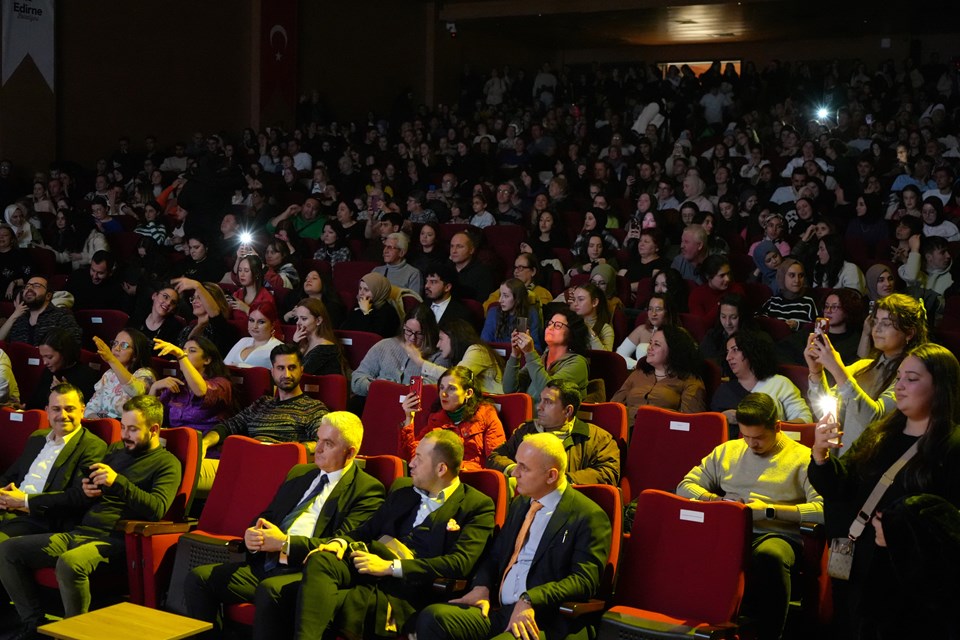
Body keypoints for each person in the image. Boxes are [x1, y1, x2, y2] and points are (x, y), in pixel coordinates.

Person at [183, 412, 386, 640]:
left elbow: (341, 543)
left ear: (350, 452)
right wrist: (252, 535)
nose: (317, 449)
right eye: (318, 439)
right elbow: (269, 515)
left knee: (270, 591)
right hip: (266, 564)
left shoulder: (367, 489)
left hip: (305, 573)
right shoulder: (300, 473)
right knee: (199, 578)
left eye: (328, 444)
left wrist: (285, 544)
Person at [809, 344, 960, 639]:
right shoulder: (880, 432)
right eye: (899, 377)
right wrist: (821, 456)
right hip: (858, 566)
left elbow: (950, 527)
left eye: (911, 379)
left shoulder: (952, 447)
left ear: (940, 386)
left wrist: (900, 531)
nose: (899, 386)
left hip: (904, 582)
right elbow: (842, 488)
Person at [0, 395, 181, 638]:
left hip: (115, 539)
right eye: (123, 427)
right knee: (8, 550)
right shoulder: (117, 450)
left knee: (70, 562)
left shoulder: (167, 463)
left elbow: (157, 508)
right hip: (81, 531)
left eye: (133, 429)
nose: (125, 435)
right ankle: (33, 624)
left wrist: (117, 481)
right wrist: (87, 489)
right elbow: (87, 493)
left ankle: (74, 633)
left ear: (155, 429)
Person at [291, 430, 495, 639]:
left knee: (306, 599)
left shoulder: (477, 505)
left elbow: (459, 563)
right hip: (368, 567)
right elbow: (365, 531)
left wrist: (390, 568)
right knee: (322, 559)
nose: (411, 463)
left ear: (441, 468)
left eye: (419, 458)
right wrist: (340, 542)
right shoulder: (403, 492)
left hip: (411, 587)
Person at [415, 432, 611, 640]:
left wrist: (530, 599)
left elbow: (584, 580)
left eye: (524, 468)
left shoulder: (588, 515)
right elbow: (495, 555)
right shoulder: (520, 504)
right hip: (501, 610)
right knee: (433, 618)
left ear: (551, 475)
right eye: (516, 464)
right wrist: (482, 586)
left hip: (543, 618)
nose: (514, 473)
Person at [678, 392, 823, 640]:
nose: (751, 444)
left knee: (769, 555)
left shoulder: (802, 458)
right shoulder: (729, 451)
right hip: (730, 529)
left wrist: (769, 510)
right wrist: (717, 500)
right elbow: (685, 485)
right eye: (745, 436)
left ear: (777, 427)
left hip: (776, 534)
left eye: (759, 438)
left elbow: (822, 510)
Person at [806, 293, 928, 454]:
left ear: (909, 333)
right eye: (875, 322)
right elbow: (824, 410)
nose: (876, 329)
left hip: (872, 462)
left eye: (886, 323)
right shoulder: (864, 365)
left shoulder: (910, 377)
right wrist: (816, 372)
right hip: (840, 458)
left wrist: (837, 369)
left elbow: (874, 420)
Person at [200, 344, 329, 490]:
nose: (286, 375)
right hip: (245, 464)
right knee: (187, 468)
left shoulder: (313, 408)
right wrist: (205, 443)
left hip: (277, 471)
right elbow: (228, 426)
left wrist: (290, 449)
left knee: (189, 473)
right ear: (272, 372)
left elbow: (323, 442)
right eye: (280, 368)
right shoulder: (262, 403)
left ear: (301, 370)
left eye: (292, 368)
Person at [0, 385, 107, 542]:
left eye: (69, 409)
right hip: (8, 510)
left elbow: (78, 496)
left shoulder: (92, 446)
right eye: (56, 409)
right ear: (47, 412)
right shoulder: (36, 438)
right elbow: (10, 475)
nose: (63, 415)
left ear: (82, 410)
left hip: (42, 520)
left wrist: (24, 500)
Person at [487, 379, 620, 487]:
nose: (539, 407)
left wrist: (562, 480)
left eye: (548, 402)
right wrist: (514, 469)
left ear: (567, 411)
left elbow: (608, 472)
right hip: (523, 501)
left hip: (568, 506)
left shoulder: (597, 438)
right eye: (540, 400)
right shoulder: (526, 430)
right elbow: (496, 456)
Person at [399, 366, 505, 471]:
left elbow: (495, 458)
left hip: (472, 478)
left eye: (451, 388)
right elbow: (411, 458)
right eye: (441, 387)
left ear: (468, 393)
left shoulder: (485, 413)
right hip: (440, 477)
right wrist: (409, 417)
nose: (443, 394)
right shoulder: (436, 418)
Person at [712, 330, 812, 431]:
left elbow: (805, 420)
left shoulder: (779, 383)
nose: (728, 357)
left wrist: (767, 428)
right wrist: (722, 418)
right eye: (727, 352)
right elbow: (710, 429)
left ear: (751, 351)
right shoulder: (724, 390)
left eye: (735, 350)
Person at [350, 305, 447, 403]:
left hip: (413, 410)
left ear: (429, 333)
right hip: (379, 403)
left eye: (419, 334)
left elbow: (432, 388)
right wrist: (371, 386)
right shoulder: (385, 345)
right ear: (403, 327)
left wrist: (394, 388)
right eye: (408, 331)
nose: (412, 338)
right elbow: (357, 378)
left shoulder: (439, 356)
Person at [611, 324, 706, 421]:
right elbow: (614, 406)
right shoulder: (638, 373)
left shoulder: (690, 381)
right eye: (650, 343)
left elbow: (690, 422)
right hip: (626, 430)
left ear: (673, 350)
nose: (649, 348)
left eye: (656, 344)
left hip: (661, 432)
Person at [502, 307, 589, 407]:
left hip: (555, 422)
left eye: (557, 325)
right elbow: (509, 390)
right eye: (550, 323)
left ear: (572, 333)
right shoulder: (542, 358)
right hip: (528, 418)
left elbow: (548, 393)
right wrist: (515, 354)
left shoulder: (578, 363)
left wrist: (530, 353)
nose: (550, 328)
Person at [150, 337, 233, 434]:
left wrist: (181, 356)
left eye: (192, 351)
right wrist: (154, 387)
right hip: (174, 442)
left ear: (207, 360)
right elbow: (149, 418)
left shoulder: (221, 384)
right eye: (183, 350)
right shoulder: (178, 384)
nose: (185, 354)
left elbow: (201, 391)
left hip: (205, 444)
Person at [416, 318, 504, 395]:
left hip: (493, 407)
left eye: (441, 339)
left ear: (454, 337)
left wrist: (421, 362)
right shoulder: (460, 356)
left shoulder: (478, 351)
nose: (438, 345)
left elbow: (455, 378)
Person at [84, 329, 156, 420]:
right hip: (101, 425)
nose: (116, 348)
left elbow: (136, 392)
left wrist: (111, 360)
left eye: (124, 345)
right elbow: (90, 408)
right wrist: (101, 424)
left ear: (135, 355)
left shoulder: (144, 374)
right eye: (115, 343)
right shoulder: (109, 374)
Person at [25, 328, 99, 411]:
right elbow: (34, 403)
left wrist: (64, 394)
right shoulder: (48, 371)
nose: (44, 362)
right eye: (42, 357)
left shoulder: (86, 375)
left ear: (64, 353)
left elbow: (86, 411)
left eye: (49, 357)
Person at [0, 276, 83, 346]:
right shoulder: (19, 319)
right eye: (27, 286)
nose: (29, 288)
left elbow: (74, 344)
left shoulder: (62, 315)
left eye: (36, 286)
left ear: (48, 296)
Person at [172, 278, 238, 359]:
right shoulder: (188, 329)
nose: (195, 301)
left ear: (215, 301)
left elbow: (216, 316)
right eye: (194, 298)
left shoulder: (224, 328)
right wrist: (200, 325)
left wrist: (197, 286)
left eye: (200, 297)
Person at [618, 294, 680, 369]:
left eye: (658, 309)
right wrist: (638, 365)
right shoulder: (641, 330)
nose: (653, 313)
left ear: (668, 312)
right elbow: (619, 355)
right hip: (641, 375)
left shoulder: (679, 333)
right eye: (650, 309)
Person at [481, 278, 543, 352]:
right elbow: (484, 344)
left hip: (521, 360)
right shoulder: (493, 312)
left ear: (517, 299)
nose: (500, 300)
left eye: (506, 296)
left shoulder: (531, 313)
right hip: (495, 358)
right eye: (500, 295)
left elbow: (537, 348)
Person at [292, 298, 349, 378]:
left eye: (304, 319)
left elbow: (298, 374)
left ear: (318, 321)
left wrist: (294, 344)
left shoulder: (326, 348)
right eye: (297, 318)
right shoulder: (304, 343)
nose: (298, 323)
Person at [758, 258, 818, 331]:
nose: (797, 280)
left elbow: (819, 326)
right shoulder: (773, 301)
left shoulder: (808, 302)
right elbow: (757, 320)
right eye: (792, 275)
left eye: (801, 275)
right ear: (782, 277)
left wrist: (798, 325)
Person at [481, 253, 552, 313]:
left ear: (533, 271)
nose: (516, 271)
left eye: (520, 268)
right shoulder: (503, 290)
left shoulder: (543, 293)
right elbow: (485, 309)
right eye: (515, 267)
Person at [687, 254, 746, 326]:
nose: (727, 279)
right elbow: (701, 325)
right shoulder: (697, 295)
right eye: (722, 275)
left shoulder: (736, 289)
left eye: (728, 274)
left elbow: (743, 320)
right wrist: (721, 303)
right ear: (708, 276)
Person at [223, 301, 285, 369]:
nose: (254, 326)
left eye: (261, 322)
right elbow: (223, 366)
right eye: (251, 320)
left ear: (272, 325)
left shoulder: (279, 348)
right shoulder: (243, 341)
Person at [342, 272, 400, 339]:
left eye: (366, 290)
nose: (361, 293)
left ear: (378, 291)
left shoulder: (388, 311)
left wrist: (365, 313)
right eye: (360, 288)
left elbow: (372, 338)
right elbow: (345, 330)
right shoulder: (358, 306)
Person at [448, 231, 495, 301]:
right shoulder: (445, 268)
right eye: (452, 246)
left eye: (459, 246)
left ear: (471, 250)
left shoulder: (483, 272)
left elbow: (483, 302)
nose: (454, 251)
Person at [569, 282, 614, 351]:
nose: (575, 304)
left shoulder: (605, 329)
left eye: (581, 299)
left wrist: (588, 330)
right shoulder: (570, 322)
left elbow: (606, 357)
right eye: (574, 300)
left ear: (594, 302)